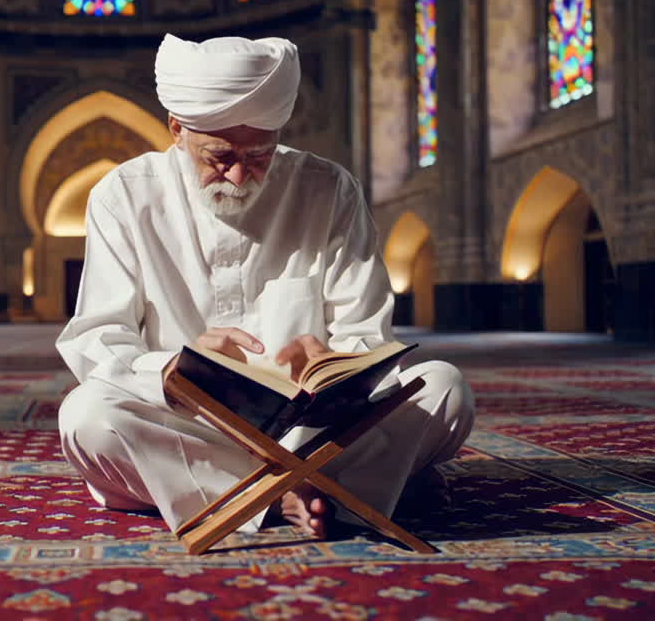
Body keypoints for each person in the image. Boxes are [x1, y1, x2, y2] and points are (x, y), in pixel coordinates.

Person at [55, 33, 474, 539]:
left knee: (445, 388)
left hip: (314, 429)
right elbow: (98, 335)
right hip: (189, 421)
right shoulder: (123, 196)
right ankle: (329, 491)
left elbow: (366, 331)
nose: (237, 174)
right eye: (219, 156)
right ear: (176, 130)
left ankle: (243, 491)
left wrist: (334, 363)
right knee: (86, 416)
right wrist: (173, 367)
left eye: (259, 156)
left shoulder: (329, 189)